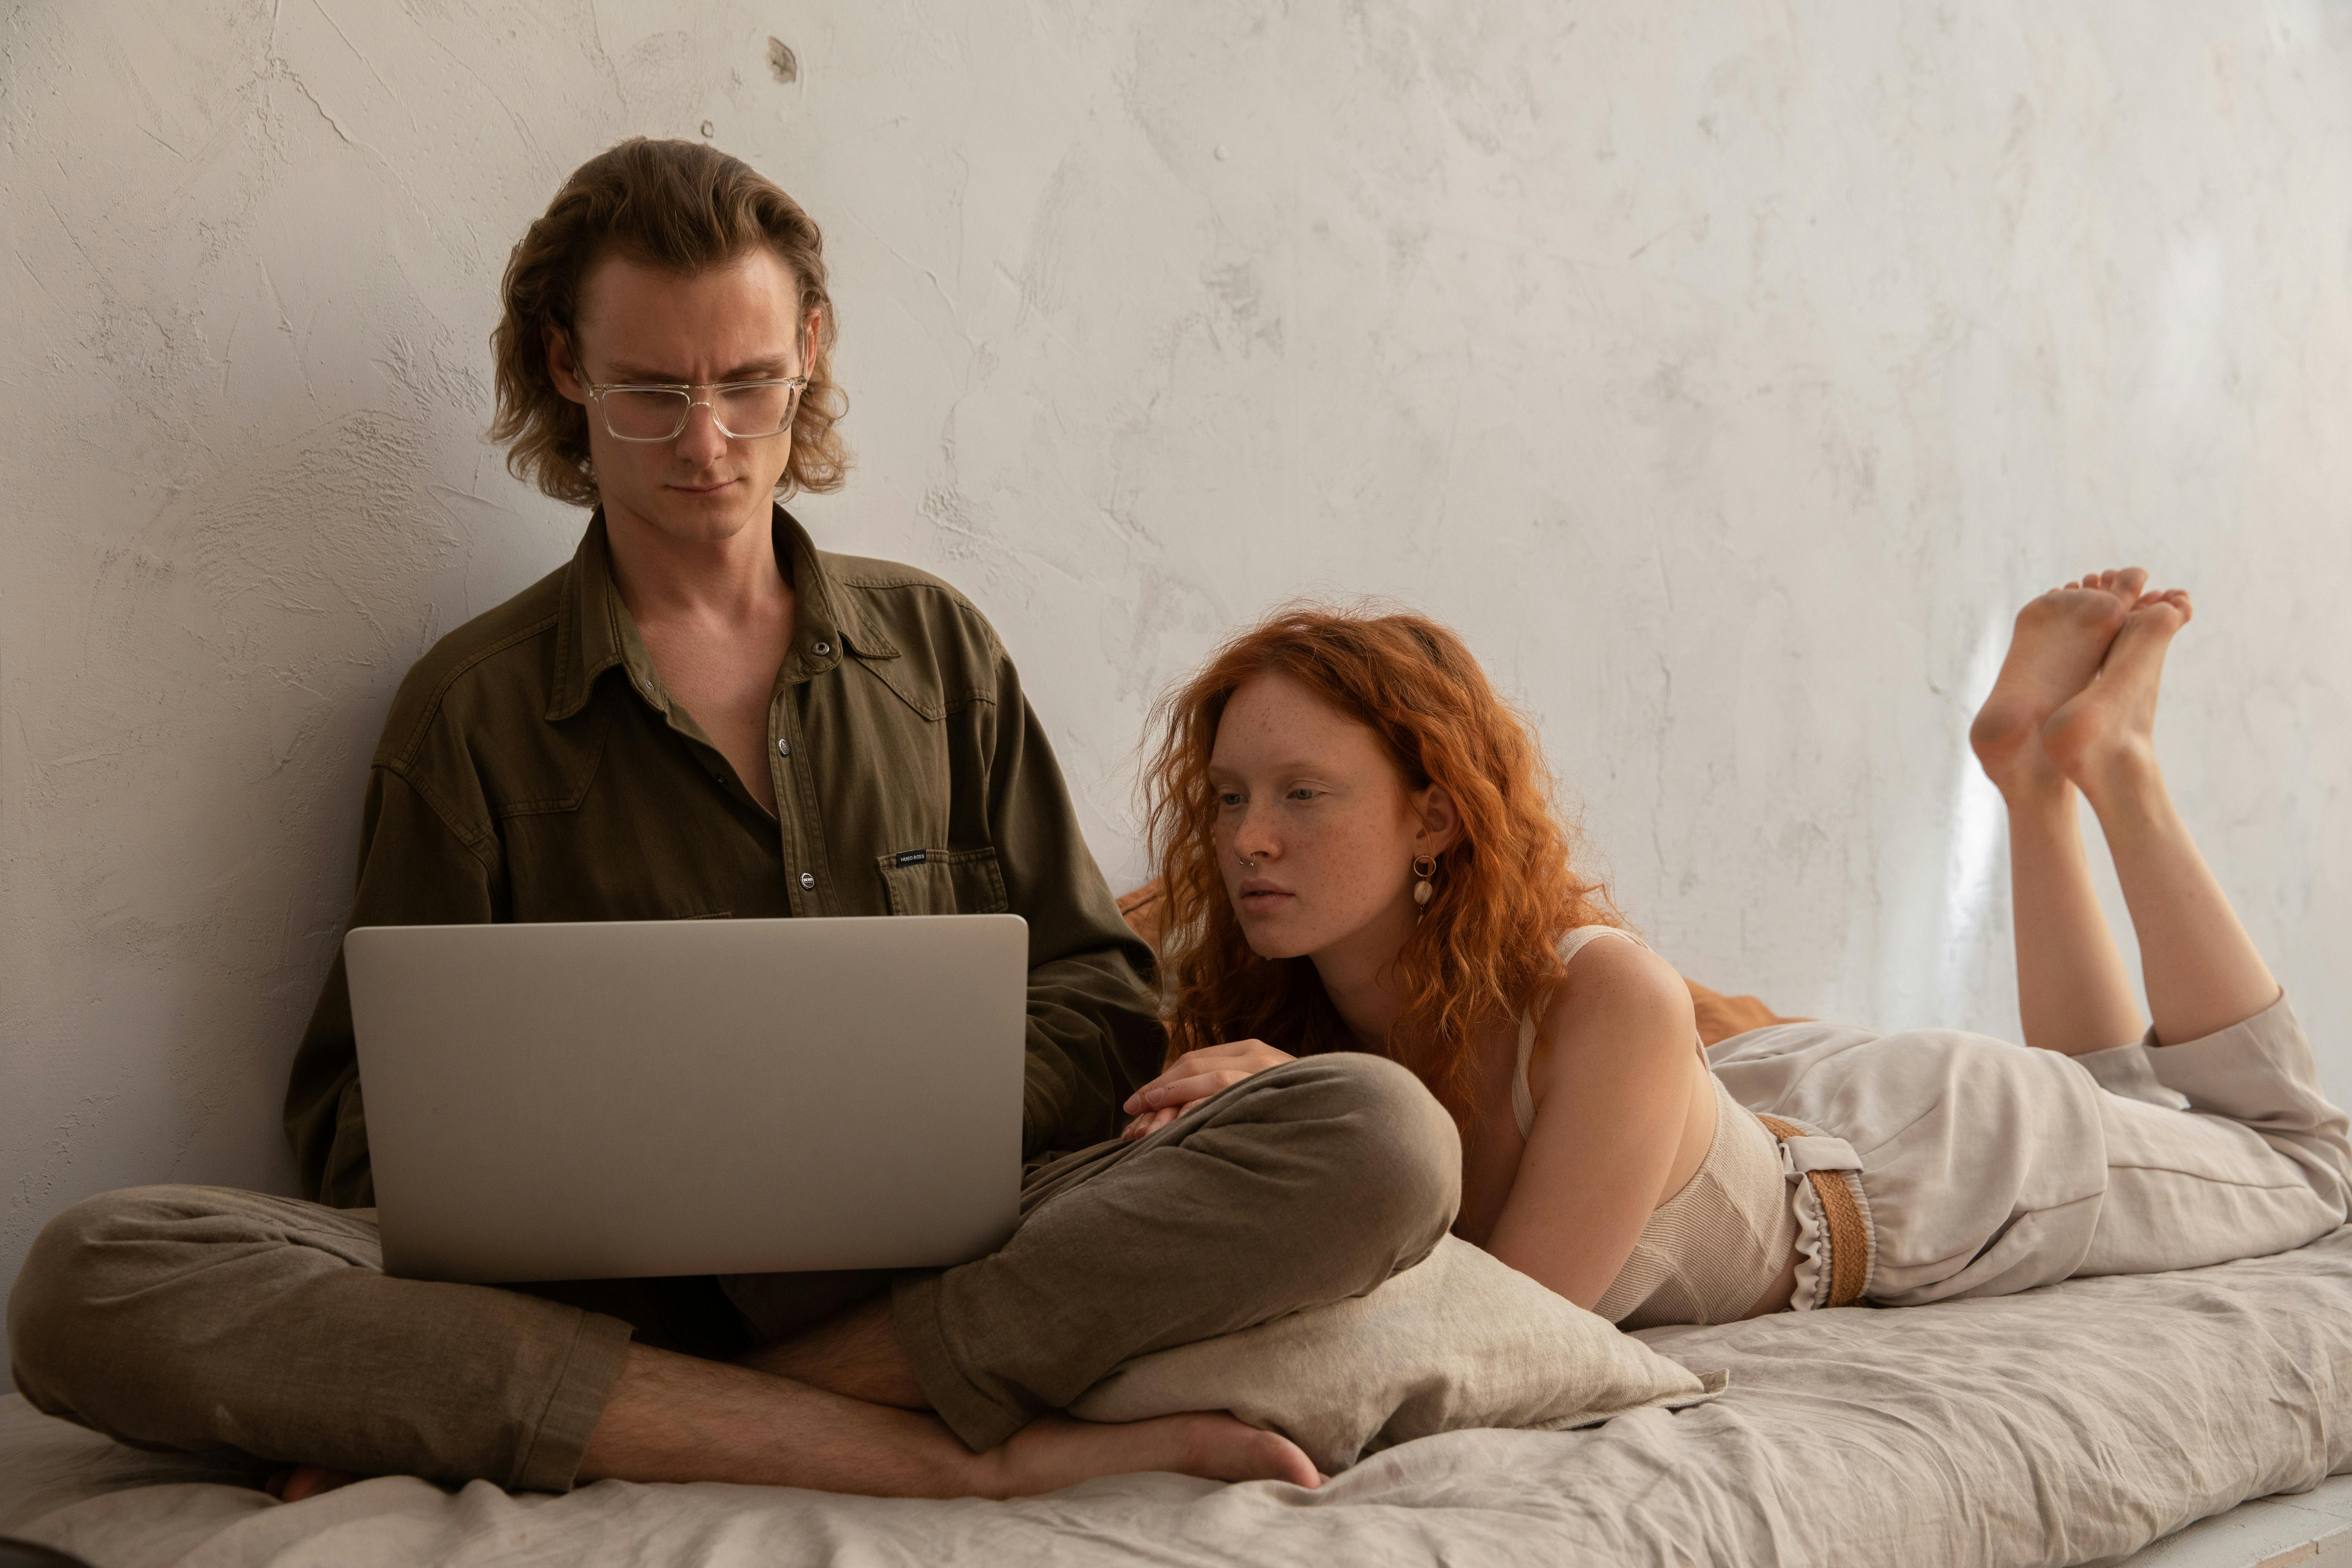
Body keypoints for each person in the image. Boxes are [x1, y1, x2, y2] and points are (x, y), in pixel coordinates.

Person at [6, 139, 1460, 1498]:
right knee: (96, 1274)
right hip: (598, 1290)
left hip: (962, 1255)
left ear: (810, 351)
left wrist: (905, 1113)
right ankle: (908, 1445)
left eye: (749, 384)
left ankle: (712, 1408)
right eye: (650, 391)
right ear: (566, 369)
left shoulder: (938, 649)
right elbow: (356, 1120)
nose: (706, 441)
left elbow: (1097, 995)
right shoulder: (471, 708)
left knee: (1382, 1136)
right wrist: (610, 1164)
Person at [1122, 575, 2351, 1328]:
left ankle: (2114, 769)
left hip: (1933, 1157)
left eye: (1301, 795)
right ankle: (2034, 777)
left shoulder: (1592, 987)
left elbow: (1516, 1329)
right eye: (1227, 799)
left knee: (2305, 1164)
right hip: (1759, 1093)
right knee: (2131, 1104)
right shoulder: (1281, 999)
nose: (1249, 843)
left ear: (1434, 813)